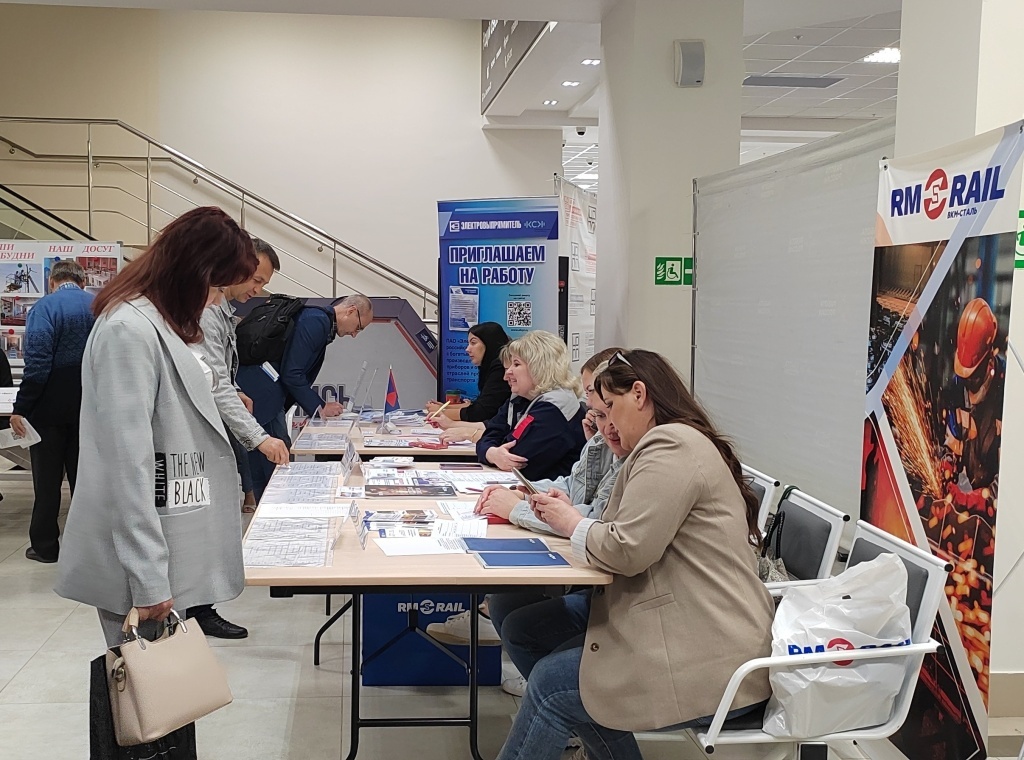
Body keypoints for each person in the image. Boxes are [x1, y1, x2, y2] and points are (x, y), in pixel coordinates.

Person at [494, 349, 774, 760]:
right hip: (675, 614)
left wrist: (571, 524)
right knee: (525, 629)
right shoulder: (662, 445)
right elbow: (618, 529)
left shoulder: (670, 446)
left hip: (708, 647)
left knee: (553, 686)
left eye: (610, 408)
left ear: (639, 394)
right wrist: (575, 519)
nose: (606, 424)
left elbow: (626, 549)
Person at [54, 206, 259, 647]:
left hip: (167, 540)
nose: (217, 301)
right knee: (144, 680)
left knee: (165, 678)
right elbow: (126, 466)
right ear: (192, 273)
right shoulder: (128, 330)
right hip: (139, 558)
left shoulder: (160, 323)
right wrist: (148, 577)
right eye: (216, 287)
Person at [426, 349, 624, 694]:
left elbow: (588, 514)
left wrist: (517, 505)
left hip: (615, 594)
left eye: (516, 365)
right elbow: (496, 437)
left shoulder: (558, 409)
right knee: (507, 605)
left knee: (523, 627)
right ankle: (545, 691)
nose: (590, 406)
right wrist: (515, 481)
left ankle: (551, 693)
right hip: (579, 552)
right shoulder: (533, 404)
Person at [236, 293, 373, 500]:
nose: (355, 334)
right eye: (359, 327)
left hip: (262, 393)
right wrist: (320, 407)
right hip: (264, 397)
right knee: (276, 460)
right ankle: (276, 509)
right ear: (351, 311)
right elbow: (292, 373)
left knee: (266, 462)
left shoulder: (318, 321)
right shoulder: (316, 322)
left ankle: (269, 506)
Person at [10, 261, 95, 563]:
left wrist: (22, 407)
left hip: (48, 409)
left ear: (51, 281)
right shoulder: (99, 306)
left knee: (46, 484)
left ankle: (45, 547)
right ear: (83, 282)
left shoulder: (44, 308)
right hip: (90, 407)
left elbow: (38, 363)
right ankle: (87, 550)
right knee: (86, 482)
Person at [200, 238, 289, 514]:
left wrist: (236, 389)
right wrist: (260, 438)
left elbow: (219, 371)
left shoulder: (223, 310)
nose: (258, 290)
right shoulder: (208, 312)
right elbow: (215, 383)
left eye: (263, 284)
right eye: (256, 280)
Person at [475, 330, 586, 481]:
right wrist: (492, 454)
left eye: (516, 364)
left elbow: (516, 458)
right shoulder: (520, 399)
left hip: (548, 491)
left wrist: (492, 451)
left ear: (539, 367)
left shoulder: (554, 408)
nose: (507, 374)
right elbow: (490, 435)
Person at [426, 322, 511, 427]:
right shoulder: (491, 367)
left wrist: (441, 412)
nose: (467, 349)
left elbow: (481, 412)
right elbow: (481, 405)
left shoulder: (500, 368)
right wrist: (445, 408)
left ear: (489, 343)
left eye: (473, 343)